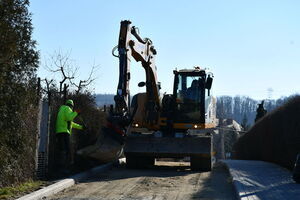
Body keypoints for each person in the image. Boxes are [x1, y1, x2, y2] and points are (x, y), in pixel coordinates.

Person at [55, 99, 83, 169]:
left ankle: (61, 166)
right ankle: (65, 167)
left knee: (62, 149)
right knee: (66, 150)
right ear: (72, 106)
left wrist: (81, 127)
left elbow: (71, 124)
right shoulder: (68, 109)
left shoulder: (62, 109)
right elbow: (69, 118)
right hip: (64, 132)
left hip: (59, 131)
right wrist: (76, 112)